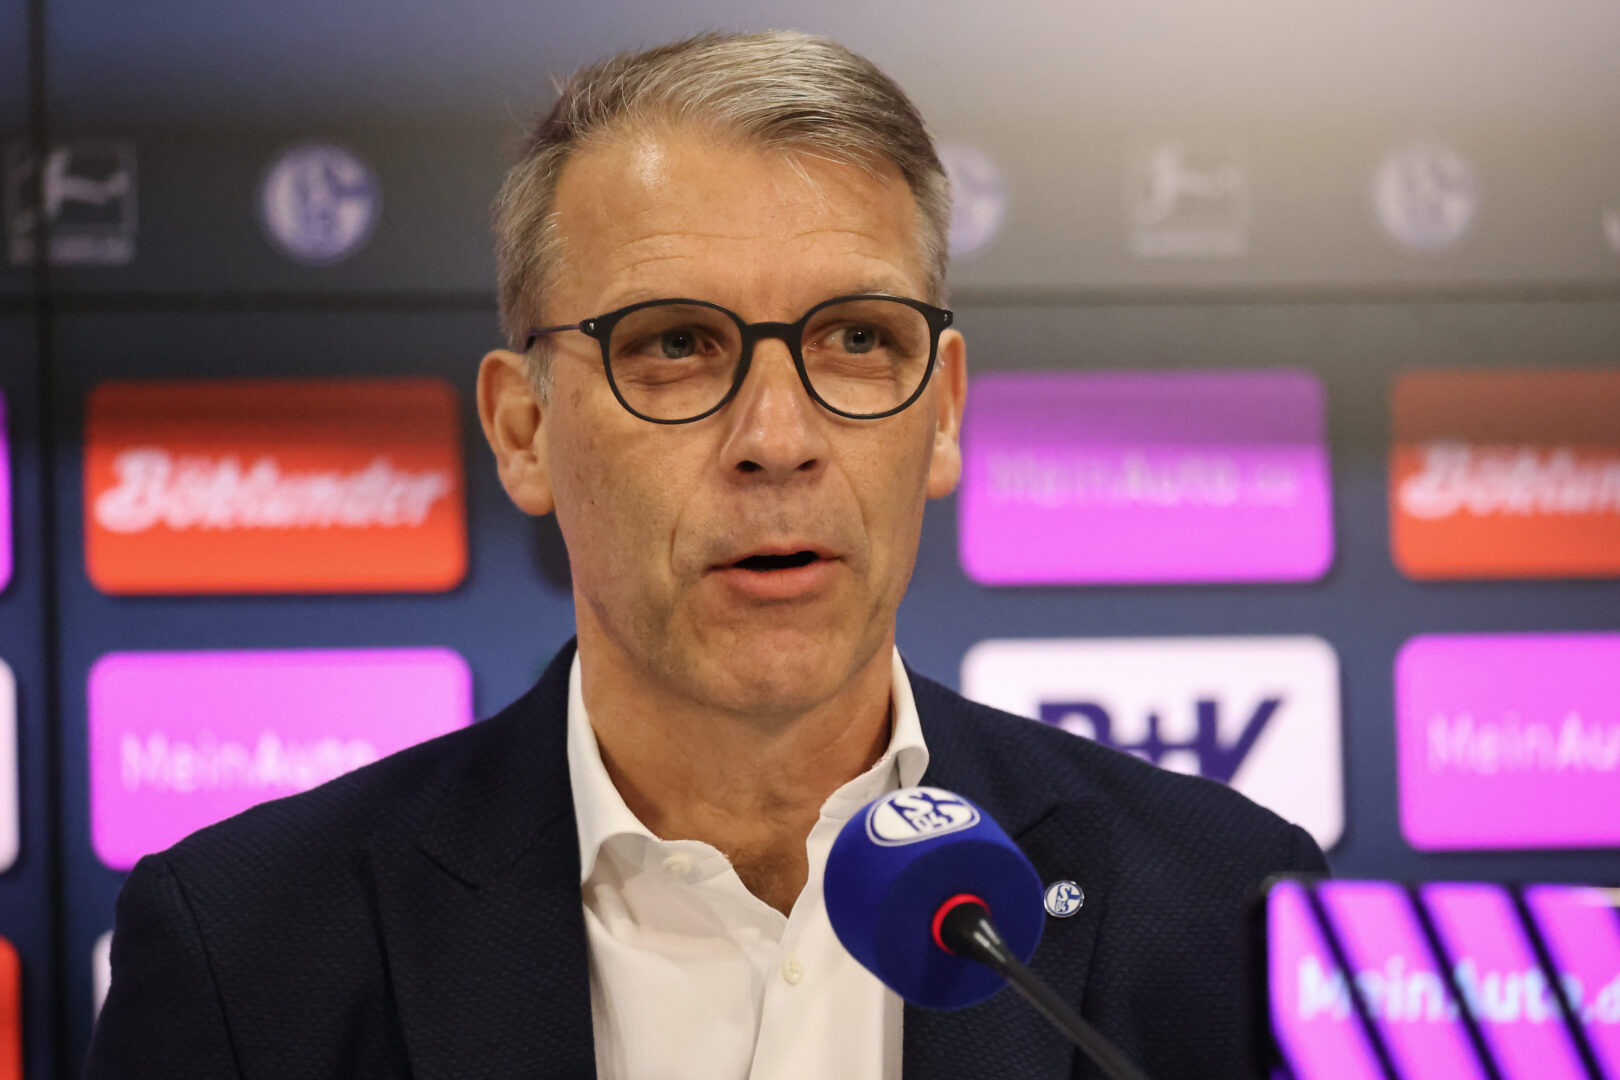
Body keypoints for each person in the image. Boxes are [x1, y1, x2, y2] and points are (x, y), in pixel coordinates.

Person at [87, 30, 1327, 1080]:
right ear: (523, 431)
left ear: (943, 412)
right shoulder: (246, 953)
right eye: (675, 344)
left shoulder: (1223, 911)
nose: (777, 441)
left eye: (857, 339)